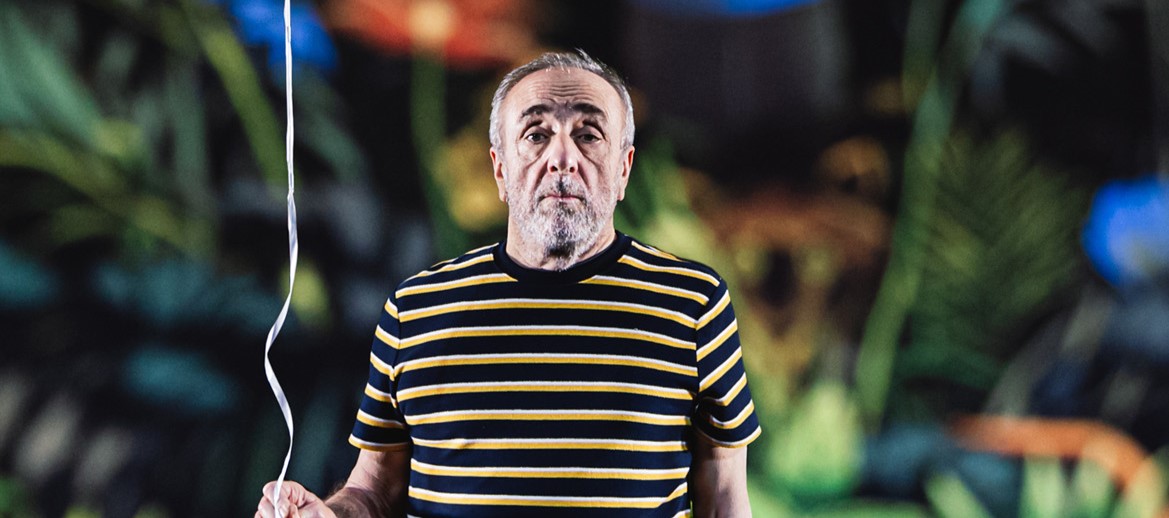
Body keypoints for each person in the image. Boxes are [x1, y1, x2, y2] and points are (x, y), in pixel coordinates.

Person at [257, 50, 760, 518]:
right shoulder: (416, 310)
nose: (562, 157)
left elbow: (724, 493)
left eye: (589, 134)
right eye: (536, 134)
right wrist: (328, 514)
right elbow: (374, 489)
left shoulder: (693, 302)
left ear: (624, 169)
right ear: (499, 170)